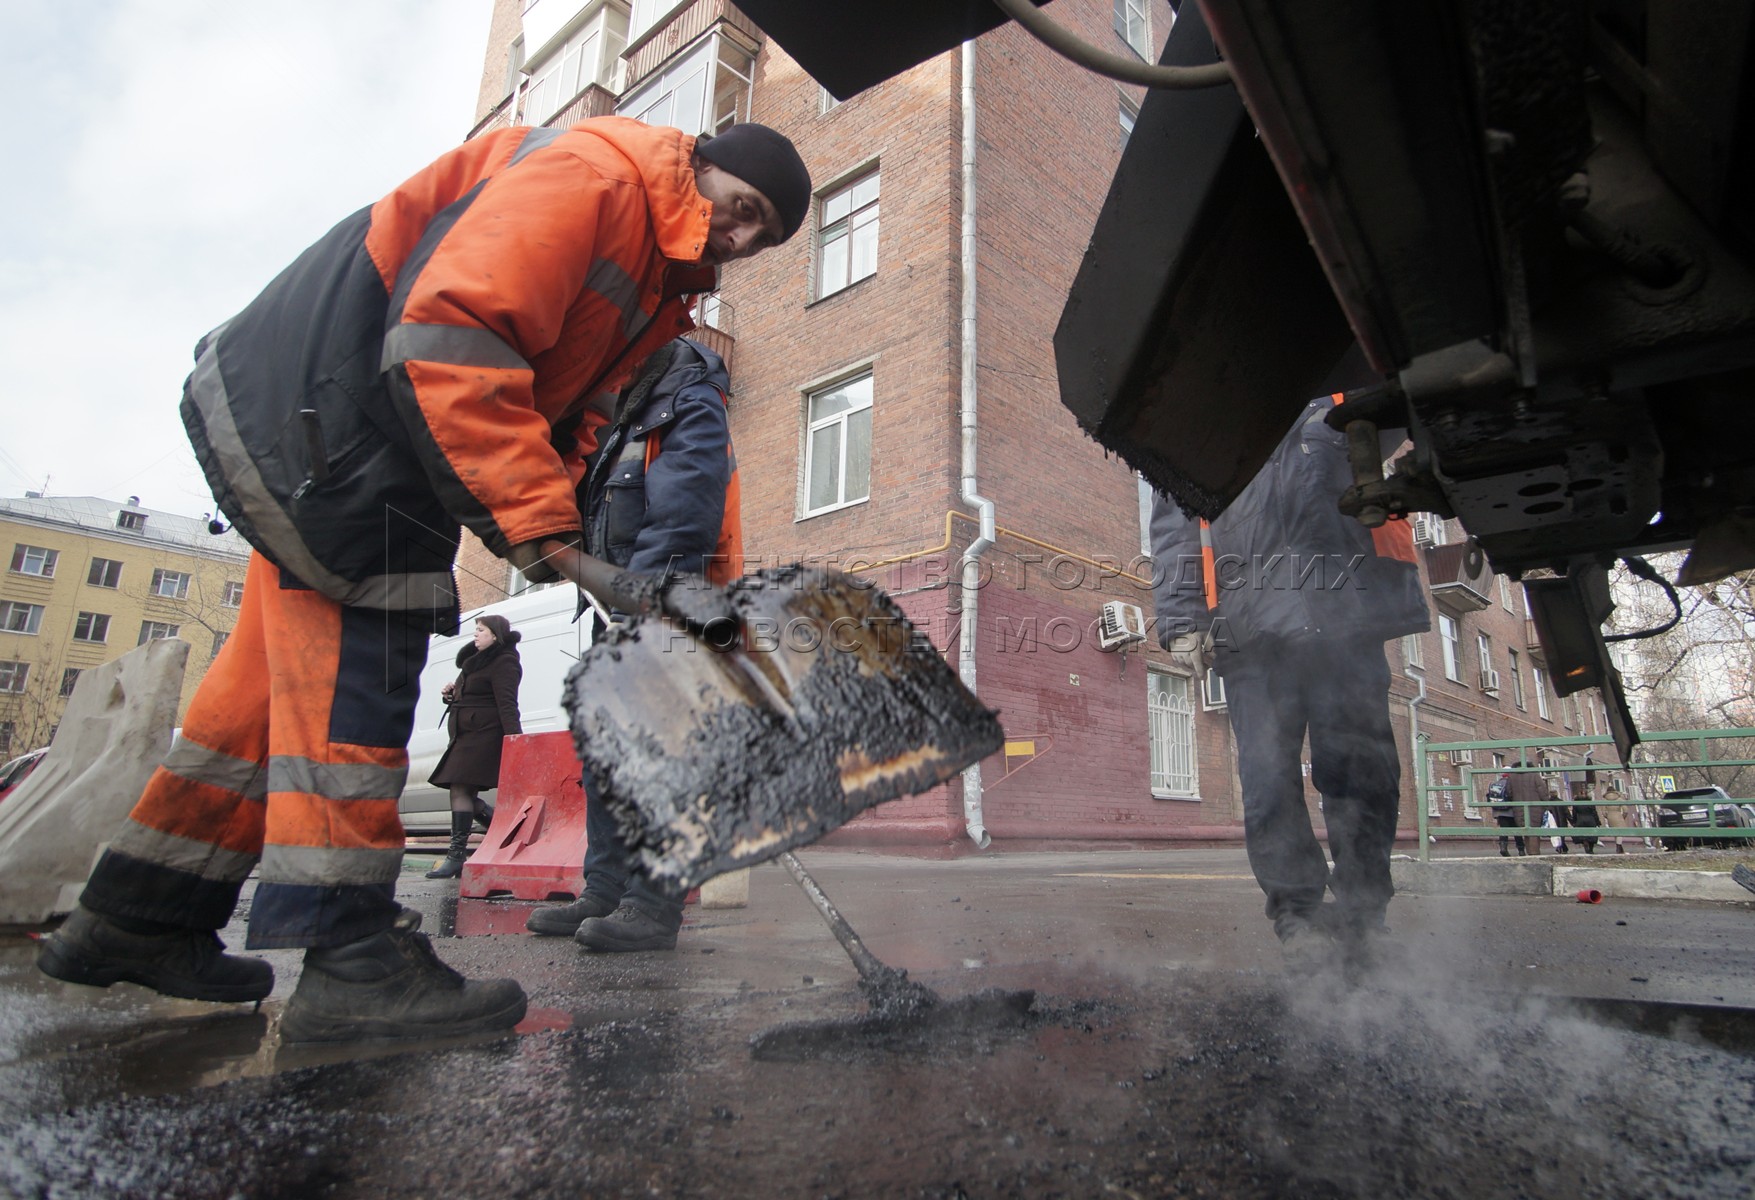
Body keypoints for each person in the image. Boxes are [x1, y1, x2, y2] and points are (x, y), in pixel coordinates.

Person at [37, 118, 810, 1043]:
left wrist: (584, 544)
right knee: (360, 660)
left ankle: (139, 916)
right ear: (706, 165)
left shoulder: (649, 280)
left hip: (340, 429)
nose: (742, 238)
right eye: (745, 210)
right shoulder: (596, 181)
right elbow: (453, 335)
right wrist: (554, 545)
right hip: (343, 430)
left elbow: (560, 413)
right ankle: (349, 955)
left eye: (761, 238)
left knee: (253, 702)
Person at [1150, 391, 1431, 972]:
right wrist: (1181, 619)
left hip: (1347, 620)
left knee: (1365, 773)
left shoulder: (1349, 398)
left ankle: (1364, 917)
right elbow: (1176, 524)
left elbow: (1421, 436)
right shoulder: (1200, 423)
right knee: (1269, 781)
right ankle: (1298, 917)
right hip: (1249, 630)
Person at [526, 336, 742, 952]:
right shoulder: (621, 415)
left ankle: (653, 904)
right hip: (612, 603)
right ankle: (605, 888)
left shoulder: (689, 400)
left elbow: (684, 513)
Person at [425, 615, 523, 880]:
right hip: (465, 735)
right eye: (475, 630)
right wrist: (451, 693)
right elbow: (468, 695)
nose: (476, 634)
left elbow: (507, 704)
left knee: (459, 787)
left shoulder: (505, 662)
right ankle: (507, 835)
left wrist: (515, 741)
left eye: (481, 630)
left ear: (495, 635)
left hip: (485, 736)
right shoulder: (473, 661)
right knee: (464, 792)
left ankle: (455, 857)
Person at [1507, 754, 1547, 854]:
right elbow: (1543, 792)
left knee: (1526, 832)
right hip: (1535, 808)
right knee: (1534, 832)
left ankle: (1529, 853)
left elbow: (1509, 792)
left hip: (1518, 808)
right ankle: (1535, 854)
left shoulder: (1512, 776)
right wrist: (1547, 805)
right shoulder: (1534, 775)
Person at [1488, 775, 1526, 856]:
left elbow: (1489, 797)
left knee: (1503, 830)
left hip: (1500, 812)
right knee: (1517, 831)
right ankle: (1521, 850)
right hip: (1512, 812)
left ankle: (1503, 848)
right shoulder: (1513, 784)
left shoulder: (1495, 784)